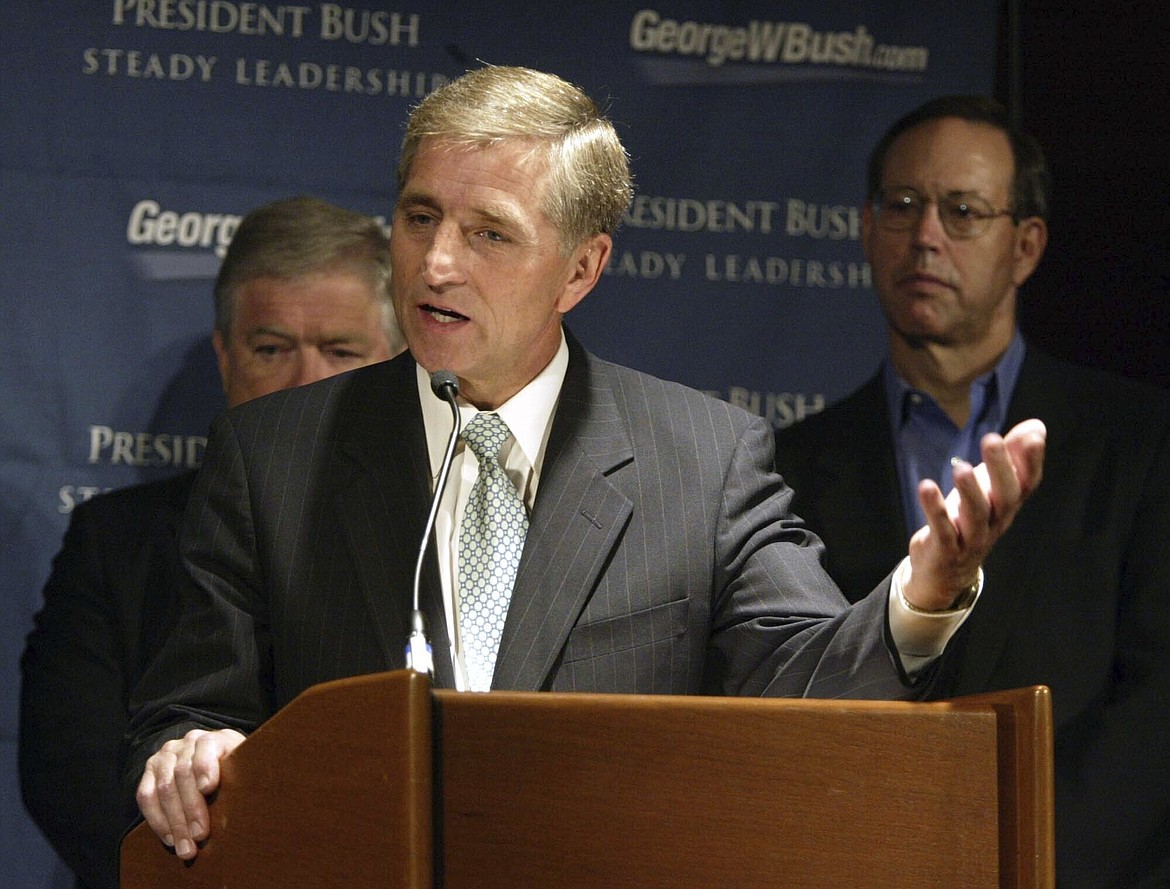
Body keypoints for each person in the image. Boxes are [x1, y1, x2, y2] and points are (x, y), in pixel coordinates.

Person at [126, 66, 1046, 863]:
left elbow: (801, 684)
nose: (436, 263)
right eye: (419, 217)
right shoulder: (272, 452)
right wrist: (188, 751)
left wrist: (918, 597)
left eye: (489, 233)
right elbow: (188, 711)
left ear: (580, 269)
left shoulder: (703, 459)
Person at [773, 95, 1170, 888]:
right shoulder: (787, 465)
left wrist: (1026, 867)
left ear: (1024, 247)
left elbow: (1155, 710)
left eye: (961, 211)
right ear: (864, 226)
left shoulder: (1141, 441)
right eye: (903, 205)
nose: (925, 236)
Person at [19, 194, 405, 889]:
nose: (305, 382)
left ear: (397, 359)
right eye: (272, 348)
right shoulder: (116, 543)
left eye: (340, 350)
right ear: (226, 357)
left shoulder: (443, 532)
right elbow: (69, 778)